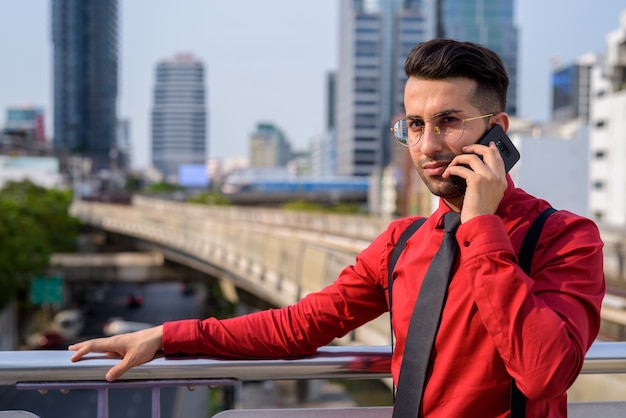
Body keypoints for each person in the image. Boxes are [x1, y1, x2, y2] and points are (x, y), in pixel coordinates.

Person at [69, 39, 605, 417]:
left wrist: (483, 226)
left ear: (497, 132)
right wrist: (168, 336)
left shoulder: (564, 238)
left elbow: (544, 374)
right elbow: (299, 327)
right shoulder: (403, 243)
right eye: (414, 125)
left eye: (449, 121)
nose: (428, 146)